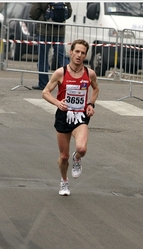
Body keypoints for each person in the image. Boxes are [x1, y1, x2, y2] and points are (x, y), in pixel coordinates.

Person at [42, 39, 100, 196]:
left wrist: (91, 104)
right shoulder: (61, 73)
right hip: (63, 116)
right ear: (71, 52)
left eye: (83, 53)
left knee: (81, 148)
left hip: (80, 116)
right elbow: (45, 92)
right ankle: (64, 181)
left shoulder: (89, 73)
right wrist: (57, 103)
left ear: (85, 55)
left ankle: (78, 157)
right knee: (63, 156)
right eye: (77, 52)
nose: (79, 55)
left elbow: (95, 89)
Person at [30, 2, 72, 90]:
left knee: (43, 58)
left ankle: (43, 84)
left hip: (44, 31)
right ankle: (70, 81)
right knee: (62, 57)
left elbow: (33, 14)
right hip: (59, 32)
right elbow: (68, 13)